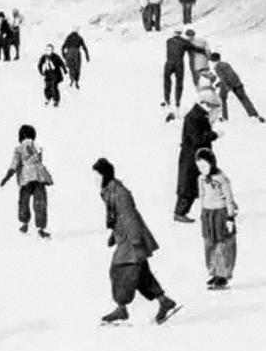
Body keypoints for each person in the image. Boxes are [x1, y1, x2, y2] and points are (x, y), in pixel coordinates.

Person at [94, 158, 182, 325]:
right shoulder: (108, 191)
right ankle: (164, 301)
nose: (95, 180)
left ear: (104, 175)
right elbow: (118, 217)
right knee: (141, 273)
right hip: (125, 237)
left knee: (120, 270)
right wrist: (114, 234)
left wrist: (135, 242)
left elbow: (130, 217)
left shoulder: (119, 192)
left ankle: (122, 308)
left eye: (97, 175)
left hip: (132, 240)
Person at [193, 148, 239, 290]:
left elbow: (229, 199)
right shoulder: (200, 179)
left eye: (205, 166)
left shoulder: (221, 179)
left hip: (221, 213)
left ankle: (223, 274)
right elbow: (201, 196)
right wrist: (203, 213)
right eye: (199, 167)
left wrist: (230, 217)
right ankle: (214, 271)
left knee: (222, 243)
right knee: (209, 243)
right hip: (208, 213)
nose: (202, 170)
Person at [174, 87, 219, 223]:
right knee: (189, 187)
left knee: (202, 185)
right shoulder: (194, 117)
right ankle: (180, 213)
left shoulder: (198, 115)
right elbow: (198, 139)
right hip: (192, 157)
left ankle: (205, 212)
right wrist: (214, 135)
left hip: (197, 156)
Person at [0, 124, 53, 237]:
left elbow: (14, 165)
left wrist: (6, 178)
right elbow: (38, 160)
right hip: (39, 177)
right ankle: (41, 228)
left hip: (26, 178)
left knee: (24, 201)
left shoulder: (18, 149)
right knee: (40, 202)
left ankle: (24, 224)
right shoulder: (37, 146)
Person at [208, 52, 264, 122]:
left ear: (213, 59)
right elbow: (230, 74)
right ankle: (255, 116)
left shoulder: (217, 67)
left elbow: (223, 77)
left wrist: (227, 86)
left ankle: (224, 117)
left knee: (222, 98)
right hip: (237, 83)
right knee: (245, 100)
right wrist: (220, 83)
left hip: (229, 84)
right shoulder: (226, 64)